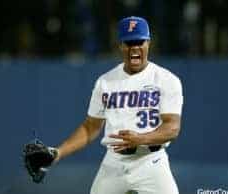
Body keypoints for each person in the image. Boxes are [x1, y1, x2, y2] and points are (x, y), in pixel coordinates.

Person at [54, 16, 183, 194]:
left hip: (151, 162)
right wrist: (58, 152)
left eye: (139, 41)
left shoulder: (166, 79)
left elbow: (172, 128)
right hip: (114, 163)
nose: (135, 47)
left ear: (148, 43)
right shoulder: (105, 82)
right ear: (121, 45)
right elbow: (90, 127)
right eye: (129, 43)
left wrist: (140, 138)